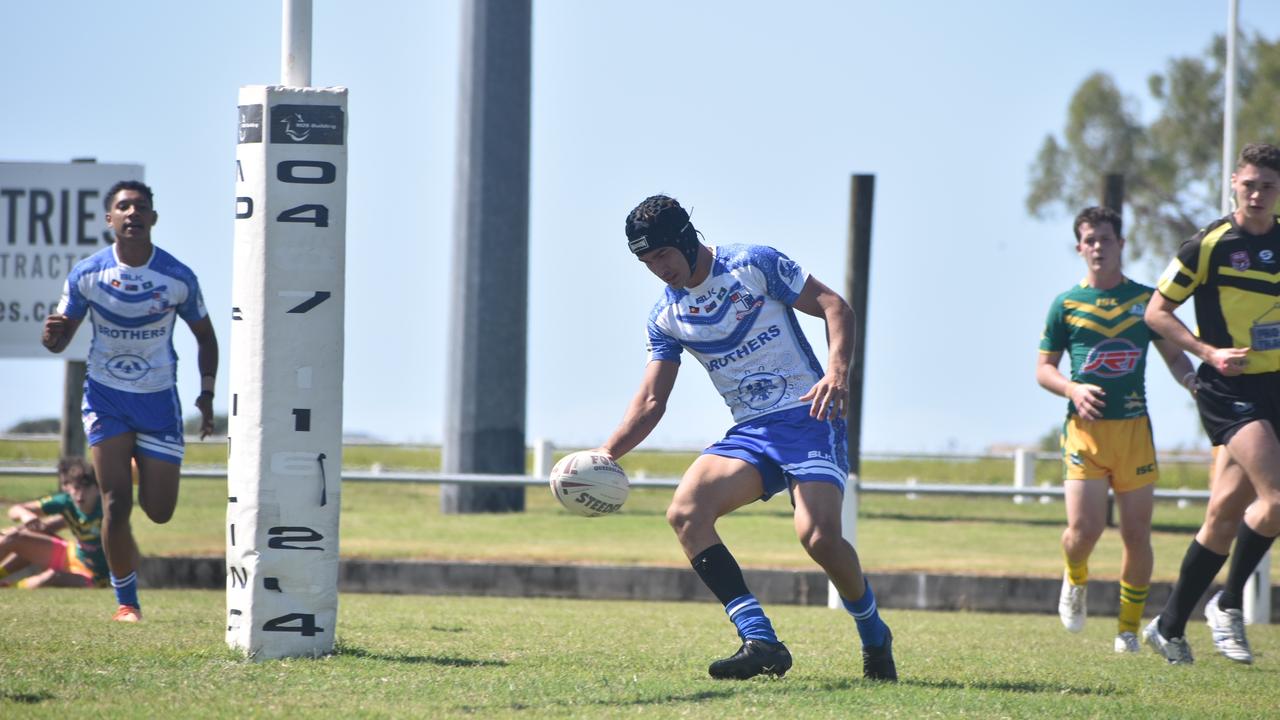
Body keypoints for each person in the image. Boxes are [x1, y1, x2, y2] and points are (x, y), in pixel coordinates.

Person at [595, 194, 896, 681]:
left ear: (687, 240)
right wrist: (607, 454)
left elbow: (835, 307)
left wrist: (838, 374)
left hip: (809, 415)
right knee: (686, 513)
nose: (660, 269)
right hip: (751, 433)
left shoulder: (752, 263)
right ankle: (760, 640)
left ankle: (874, 634)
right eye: (648, 262)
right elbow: (652, 400)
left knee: (818, 537)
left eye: (664, 255)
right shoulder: (665, 316)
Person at [41, 180, 218, 622]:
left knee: (158, 512)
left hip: (158, 401)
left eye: (141, 207)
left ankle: (136, 461)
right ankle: (127, 603)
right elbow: (59, 340)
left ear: (153, 218)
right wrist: (52, 337)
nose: (132, 213)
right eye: (124, 207)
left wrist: (207, 393)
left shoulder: (178, 277)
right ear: (110, 219)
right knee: (115, 502)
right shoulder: (87, 274)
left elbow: (206, 337)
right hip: (106, 398)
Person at [1143, 142, 1280, 665]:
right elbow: (1156, 313)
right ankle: (1228, 603)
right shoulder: (1207, 245)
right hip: (1231, 390)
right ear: (1232, 183)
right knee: (1277, 498)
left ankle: (1170, 625)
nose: (1257, 193)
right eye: (1249, 183)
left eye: (1267, 185)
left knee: (1224, 513)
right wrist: (1206, 352)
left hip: (1276, 386)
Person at [1036, 206, 1196, 653]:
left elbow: (1176, 357)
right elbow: (1043, 369)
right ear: (1079, 247)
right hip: (1084, 435)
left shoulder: (1147, 301)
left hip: (1133, 432)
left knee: (1136, 535)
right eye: (1090, 239)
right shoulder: (1065, 305)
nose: (1098, 247)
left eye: (1106, 238)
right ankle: (1075, 576)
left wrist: (1192, 381)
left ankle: (1127, 630)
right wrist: (1072, 389)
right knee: (1083, 531)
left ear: (1121, 244)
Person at [0, 458, 110, 589]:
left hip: (95, 576)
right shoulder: (66, 502)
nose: (80, 495)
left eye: (86, 488)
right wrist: (27, 516)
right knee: (12, 537)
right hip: (71, 555)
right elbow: (15, 509)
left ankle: (10, 588)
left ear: (98, 489)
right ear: (68, 488)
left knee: (52, 576)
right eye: (76, 488)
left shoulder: (107, 511)